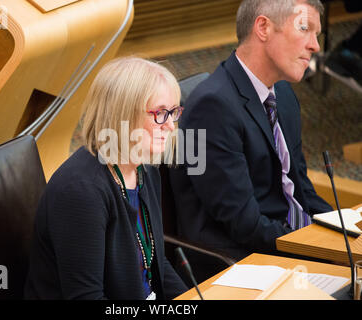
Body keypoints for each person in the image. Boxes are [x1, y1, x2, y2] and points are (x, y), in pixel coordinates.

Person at [169, 0, 333, 264]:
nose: (315, 45)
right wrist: (316, 247)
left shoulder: (283, 95)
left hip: (286, 240)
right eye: (305, 28)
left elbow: (300, 189)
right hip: (243, 261)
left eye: (317, 34)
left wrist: (346, 233)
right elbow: (243, 224)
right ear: (263, 28)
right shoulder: (212, 106)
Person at [25, 57, 187, 300]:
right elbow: (86, 297)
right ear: (123, 116)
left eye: (173, 113)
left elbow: (155, 260)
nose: (171, 127)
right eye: (160, 114)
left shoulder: (145, 168)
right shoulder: (81, 192)